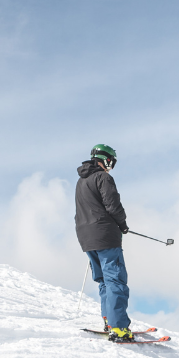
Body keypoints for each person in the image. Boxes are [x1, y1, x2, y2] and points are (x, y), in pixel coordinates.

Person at [75, 144, 133, 342]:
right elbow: (113, 204)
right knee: (115, 279)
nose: (111, 165)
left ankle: (109, 320)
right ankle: (119, 328)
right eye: (111, 161)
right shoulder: (103, 177)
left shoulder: (81, 181)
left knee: (103, 280)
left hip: (86, 237)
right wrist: (122, 224)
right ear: (106, 159)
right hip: (105, 235)